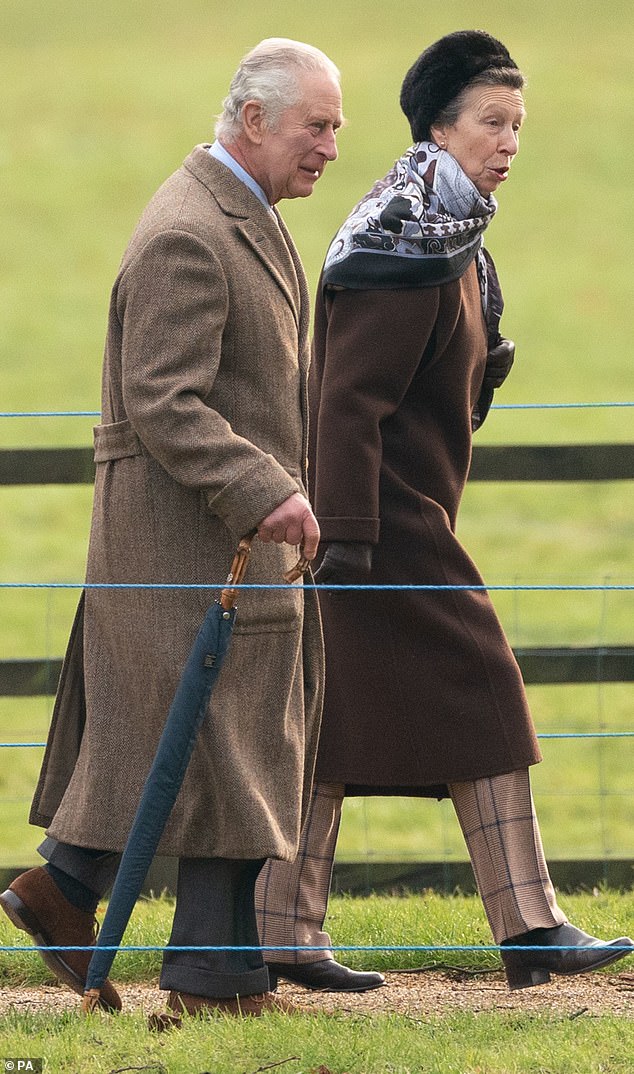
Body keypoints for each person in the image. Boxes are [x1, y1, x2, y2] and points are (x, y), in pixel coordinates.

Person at [255, 30, 633, 994]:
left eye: (518, 124)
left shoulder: (446, 228)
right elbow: (346, 402)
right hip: (379, 525)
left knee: (330, 722)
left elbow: (436, 373)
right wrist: (346, 537)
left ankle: (281, 937)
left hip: (396, 515)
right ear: (438, 126)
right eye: (491, 122)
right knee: (488, 693)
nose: (510, 141)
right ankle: (531, 929)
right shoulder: (404, 240)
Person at [0, 38, 343, 1023]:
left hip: (215, 550)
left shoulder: (248, 214)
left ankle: (135, 932)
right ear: (253, 122)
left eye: (334, 125)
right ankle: (192, 966)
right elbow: (164, 397)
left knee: (214, 753)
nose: (329, 144)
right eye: (315, 125)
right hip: (185, 547)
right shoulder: (189, 233)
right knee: (210, 749)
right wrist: (263, 491)